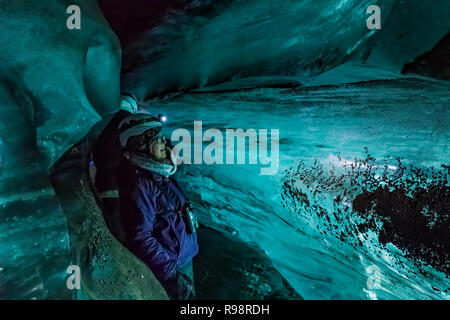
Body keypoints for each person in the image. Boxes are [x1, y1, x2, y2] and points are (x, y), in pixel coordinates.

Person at [117, 113, 199, 300]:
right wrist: (171, 275)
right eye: (158, 140)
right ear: (141, 145)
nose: (164, 143)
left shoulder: (160, 173)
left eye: (162, 138)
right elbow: (139, 235)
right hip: (173, 268)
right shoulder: (140, 184)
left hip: (183, 259)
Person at [92, 93, 139, 242]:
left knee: (114, 227)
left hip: (105, 186)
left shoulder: (102, 125)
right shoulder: (130, 128)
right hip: (125, 187)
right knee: (127, 230)